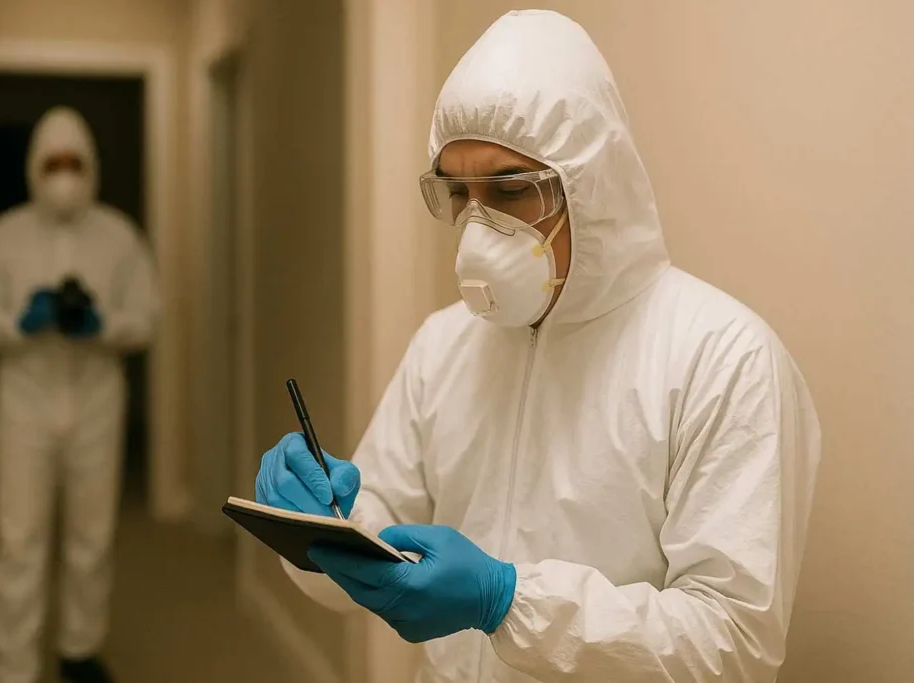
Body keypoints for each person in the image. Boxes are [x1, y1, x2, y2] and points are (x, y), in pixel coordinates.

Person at [254, 10, 822, 683]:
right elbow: (384, 538)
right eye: (457, 192)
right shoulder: (445, 345)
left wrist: (507, 600)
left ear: (590, 181)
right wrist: (323, 527)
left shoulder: (722, 358)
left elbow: (731, 645)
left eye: (510, 189)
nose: (475, 226)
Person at [0, 106, 160, 683]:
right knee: (19, 539)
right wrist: (16, 325)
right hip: (24, 402)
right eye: (52, 163)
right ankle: (11, 665)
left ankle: (78, 648)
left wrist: (107, 325)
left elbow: (147, 318)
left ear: (91, 167)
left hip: (98, 399)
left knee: (90, 537)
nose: (64, 174)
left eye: (75, 163)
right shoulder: (4, 236)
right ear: (33, 168)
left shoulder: (120, 236)